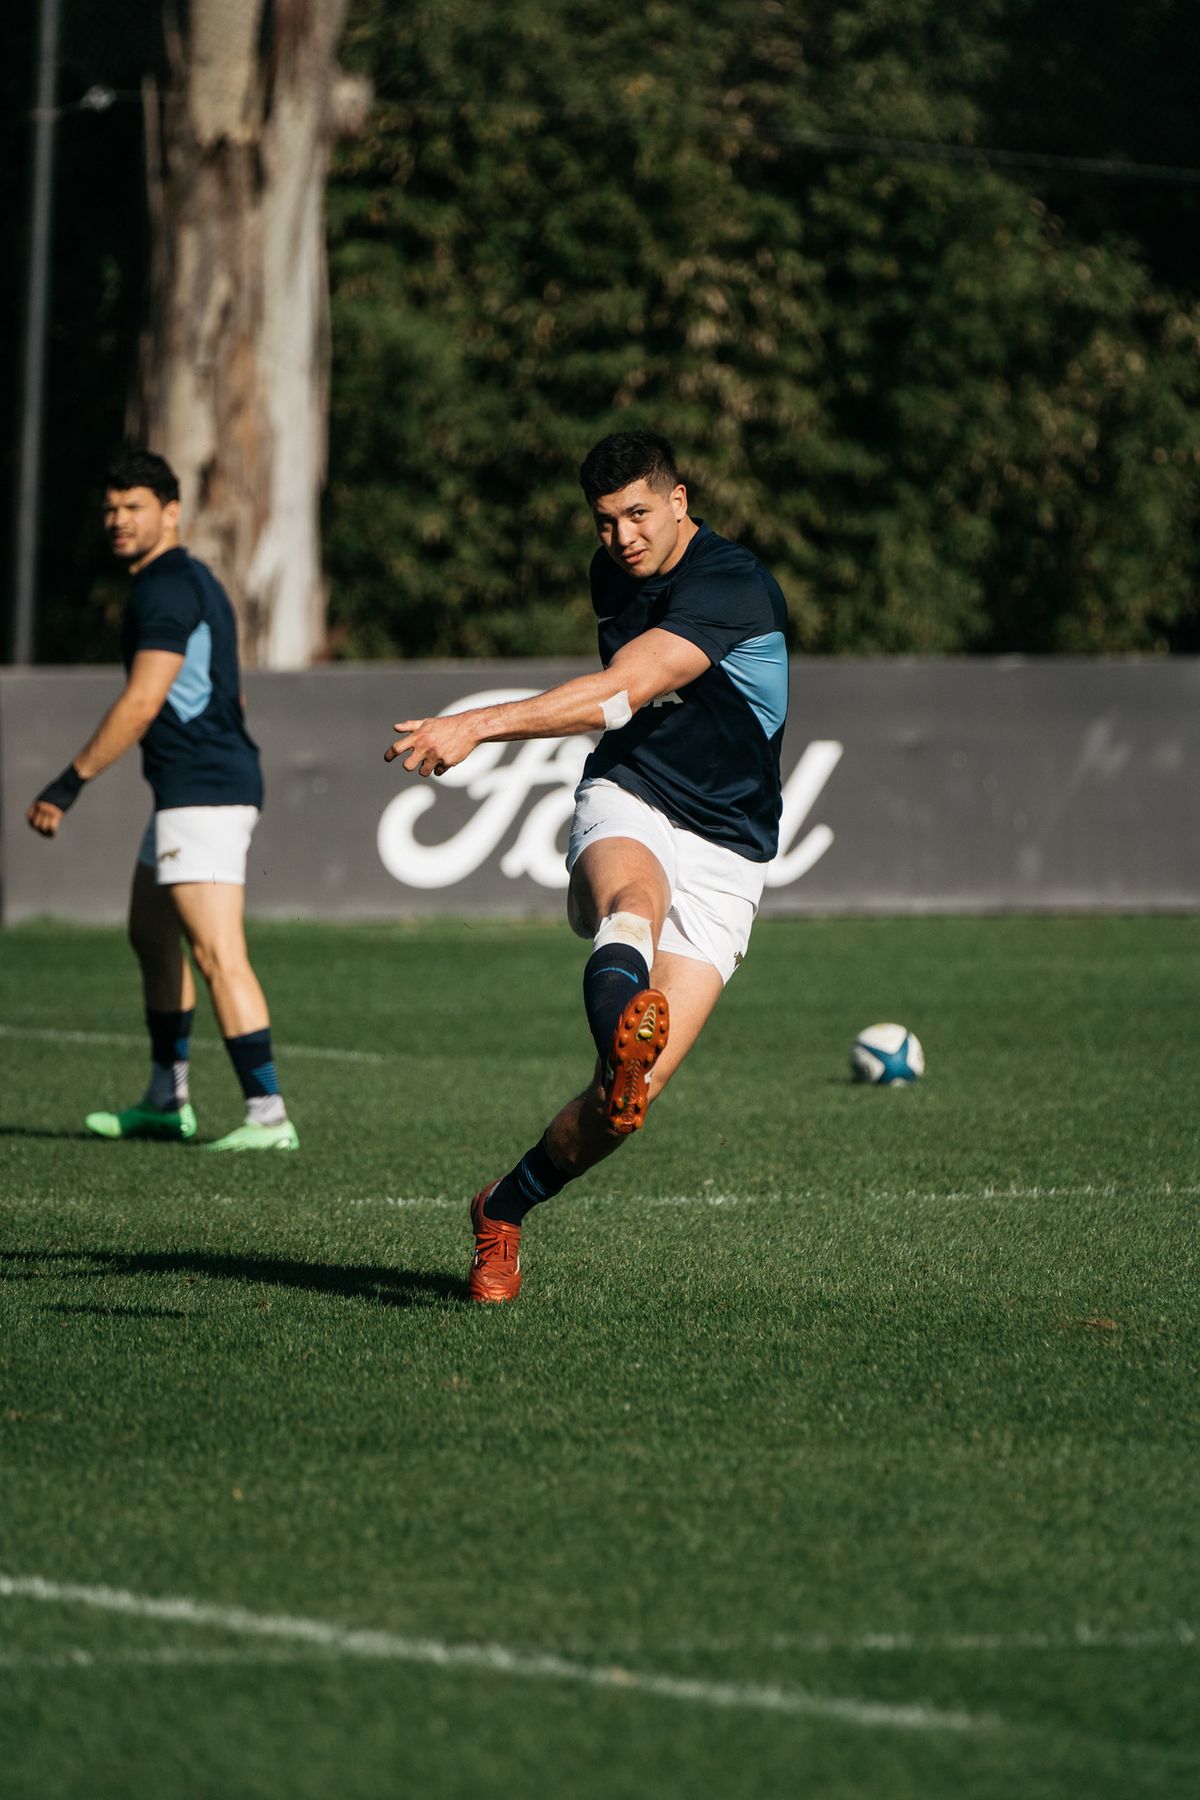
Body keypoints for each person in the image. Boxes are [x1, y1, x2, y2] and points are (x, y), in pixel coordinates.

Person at [386, 430, 787, 1299]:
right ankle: (625, 1023)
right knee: (632, 902)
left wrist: (476, 723)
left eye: (639, 514)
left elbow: (621, 689)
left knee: (619, 1109)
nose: (622, 538)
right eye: (605, 523)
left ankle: (501, 1208)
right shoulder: (615, 571)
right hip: (634, 791)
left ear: (680, 501)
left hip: (730, 846)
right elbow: (622, 721)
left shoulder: (731, 583)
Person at [26, 450, 297, 1152]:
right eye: (111, 509)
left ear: (171, 513)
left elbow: (145, 699)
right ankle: (165, 1099)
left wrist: (69, 782)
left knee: (216, 953)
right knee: (151, 933)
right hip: (193, 788)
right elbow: (225, 693)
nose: (118, 521)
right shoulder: (189, 580)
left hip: (202, 793)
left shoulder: (167, 587)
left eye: (134, 507)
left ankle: (267, 1114)